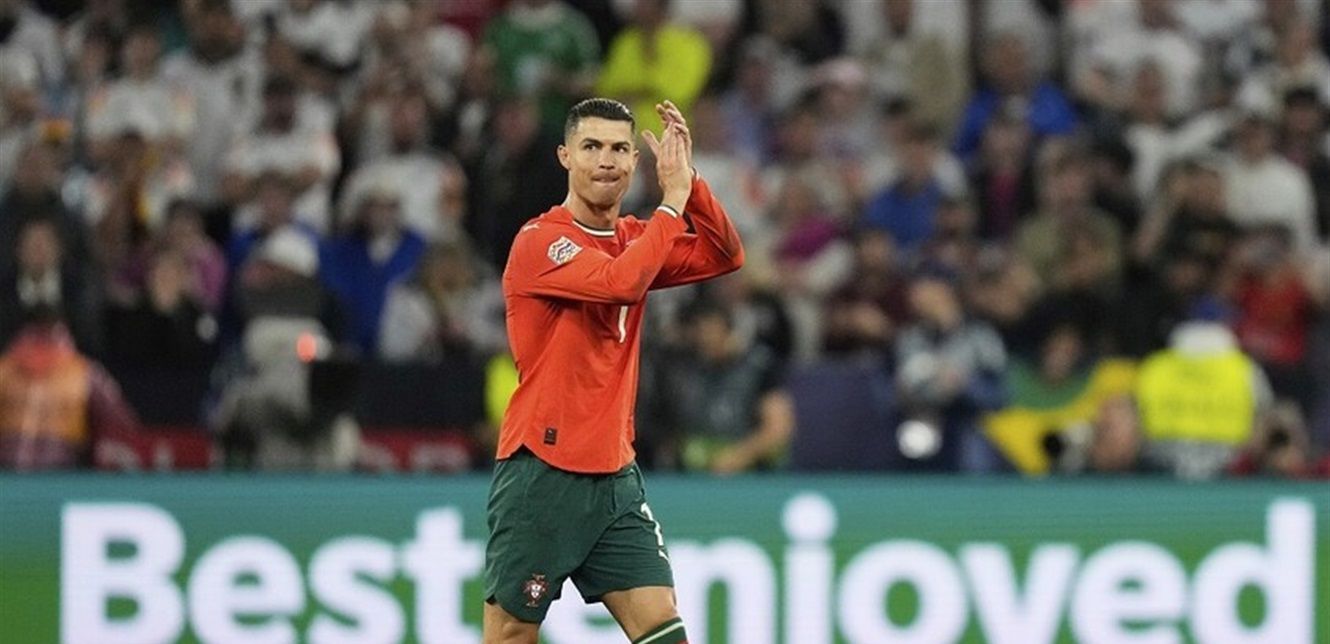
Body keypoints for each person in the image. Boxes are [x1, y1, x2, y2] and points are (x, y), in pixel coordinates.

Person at [484, 98, 743, 643]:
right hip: (544, 471)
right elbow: (620, 283)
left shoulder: (634, 239)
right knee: (510, 632)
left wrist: (691, 183)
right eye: (591, 147)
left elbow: (724, 254)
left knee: (662, 627)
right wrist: (672, 205)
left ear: (634, 161)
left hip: (615, 476)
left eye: (620, 149)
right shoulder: (540, 241)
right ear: (565, 156)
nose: (607, 160)